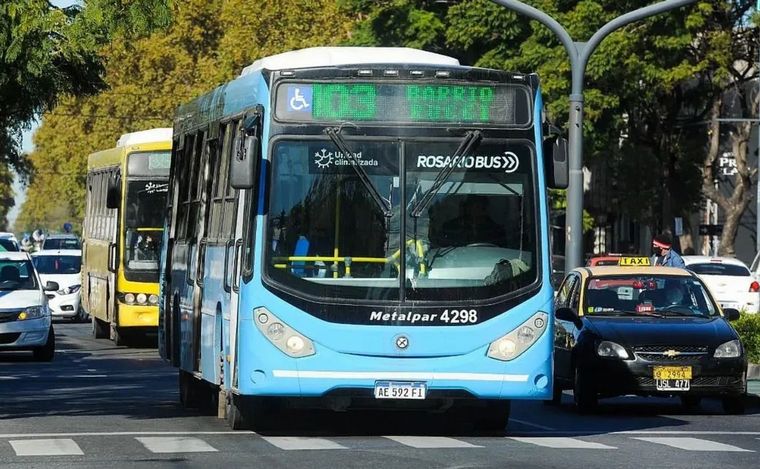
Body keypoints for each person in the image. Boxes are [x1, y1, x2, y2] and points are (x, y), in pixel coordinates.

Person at [437, 195, 506, 247]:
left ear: (485, 210)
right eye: (473, 207)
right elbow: (442, 247)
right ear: (467, 208)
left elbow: (503, 252)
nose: (476, 211)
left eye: (479, 207)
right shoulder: (450, 227)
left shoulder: (496, 230)